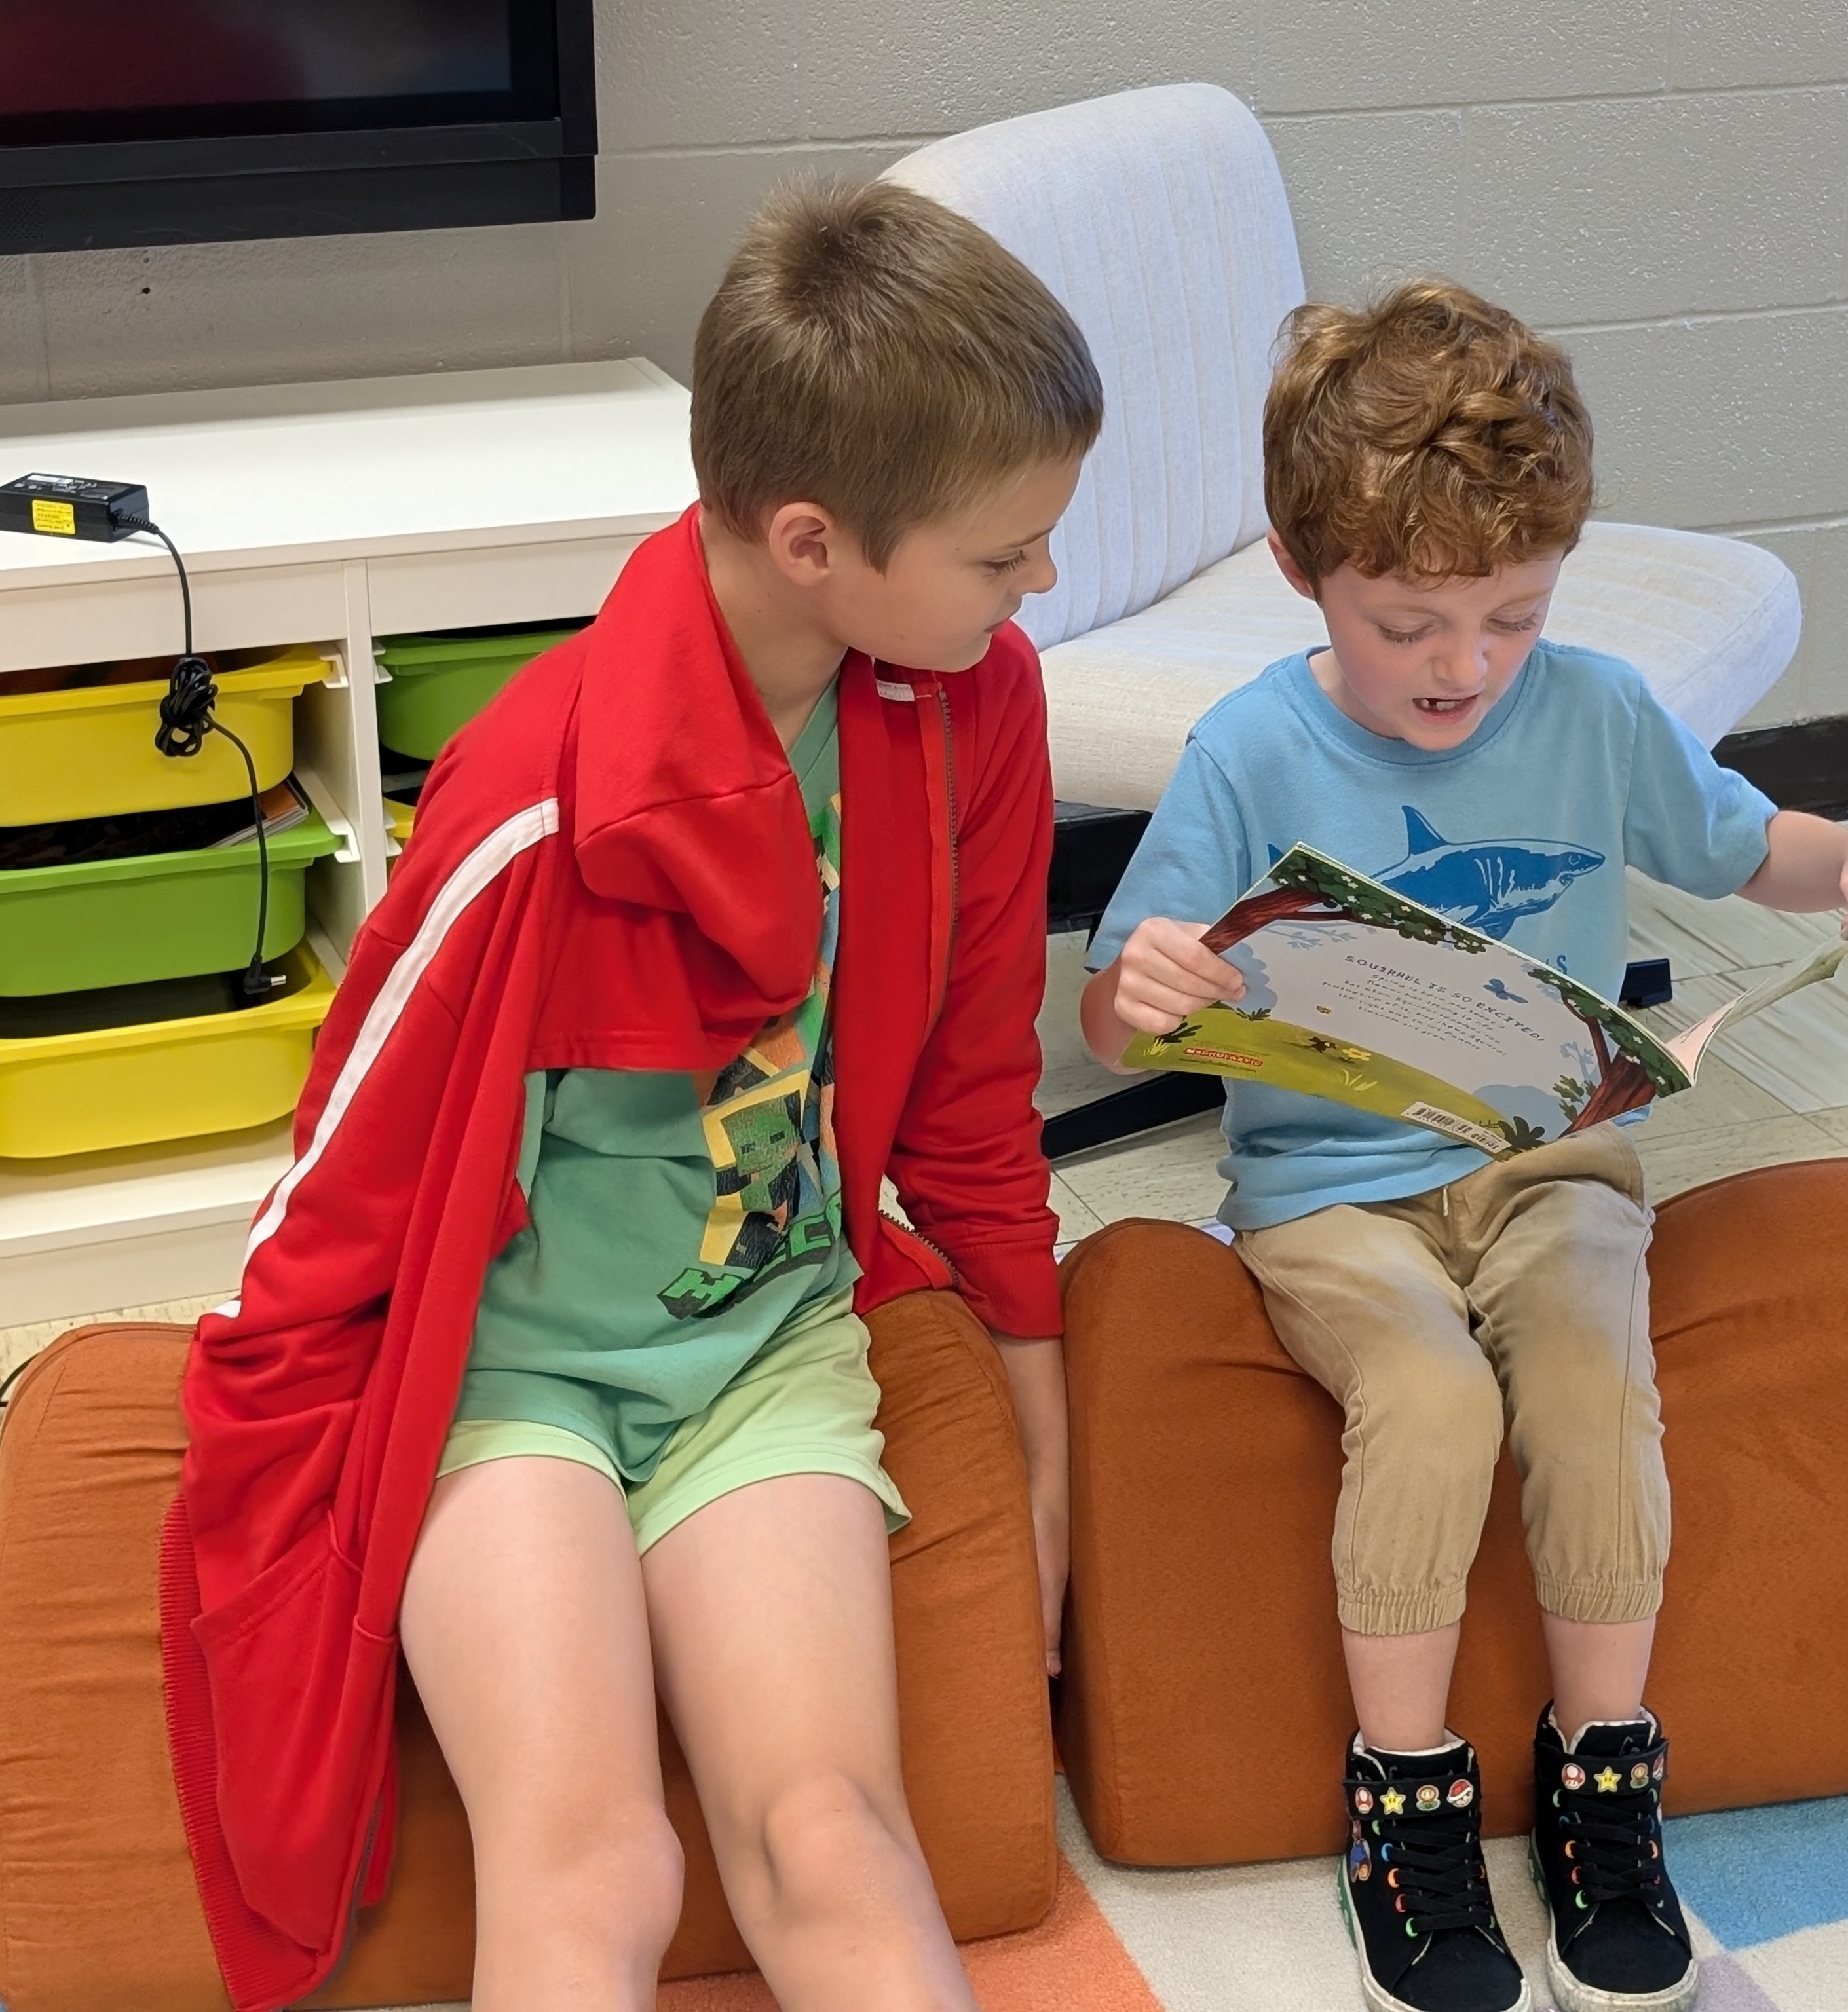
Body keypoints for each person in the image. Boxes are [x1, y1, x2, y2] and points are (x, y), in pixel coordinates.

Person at [161, 180, 1095, 2012]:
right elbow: (331, 1186)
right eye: (1005, 554)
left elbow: (976, 1101)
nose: (1036, 585)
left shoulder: (971, 706)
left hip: (760, 1350)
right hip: (507, 1377)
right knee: (596, 1869)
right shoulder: (531, 805)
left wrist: (1045, 1446)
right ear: (816, 540)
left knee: (830, 1835)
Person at [1080, 280, 1848, 2012]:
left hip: (1555, 1163)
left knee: (1582, 1364)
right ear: (1300, 569)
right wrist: (1148, 993)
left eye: (1511, 616)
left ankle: (1599, 1776)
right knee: (1427, 1391)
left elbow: (1740, 844)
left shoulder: (1595, 708)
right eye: (1409, 624)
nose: (1463, 668)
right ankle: (1404, 1809)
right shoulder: (1251, 746)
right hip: (1332, 1199)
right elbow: (1117, 1009)